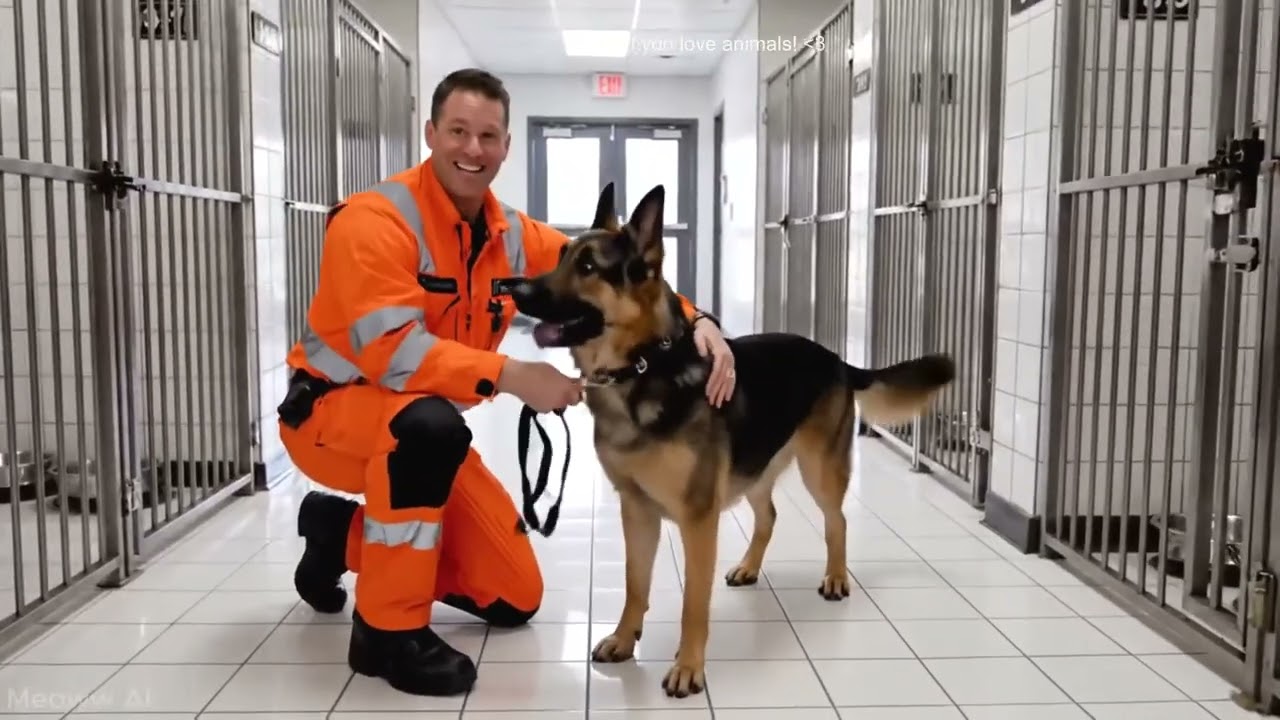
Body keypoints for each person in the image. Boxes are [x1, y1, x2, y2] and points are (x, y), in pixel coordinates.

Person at [275, 68, 737, 699]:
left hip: (420, 426)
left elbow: (621, 281)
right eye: (459, 132)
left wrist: (698, 320)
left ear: (506, 145)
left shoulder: (506, 232)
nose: (473, 149)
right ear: (431, 132)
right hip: (334, 416)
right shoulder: (374, 222)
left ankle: (334, 532)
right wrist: (515, 375)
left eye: (488, 135)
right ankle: (386, 634)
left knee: (513, 594)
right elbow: (394, 354)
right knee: (429, 430)